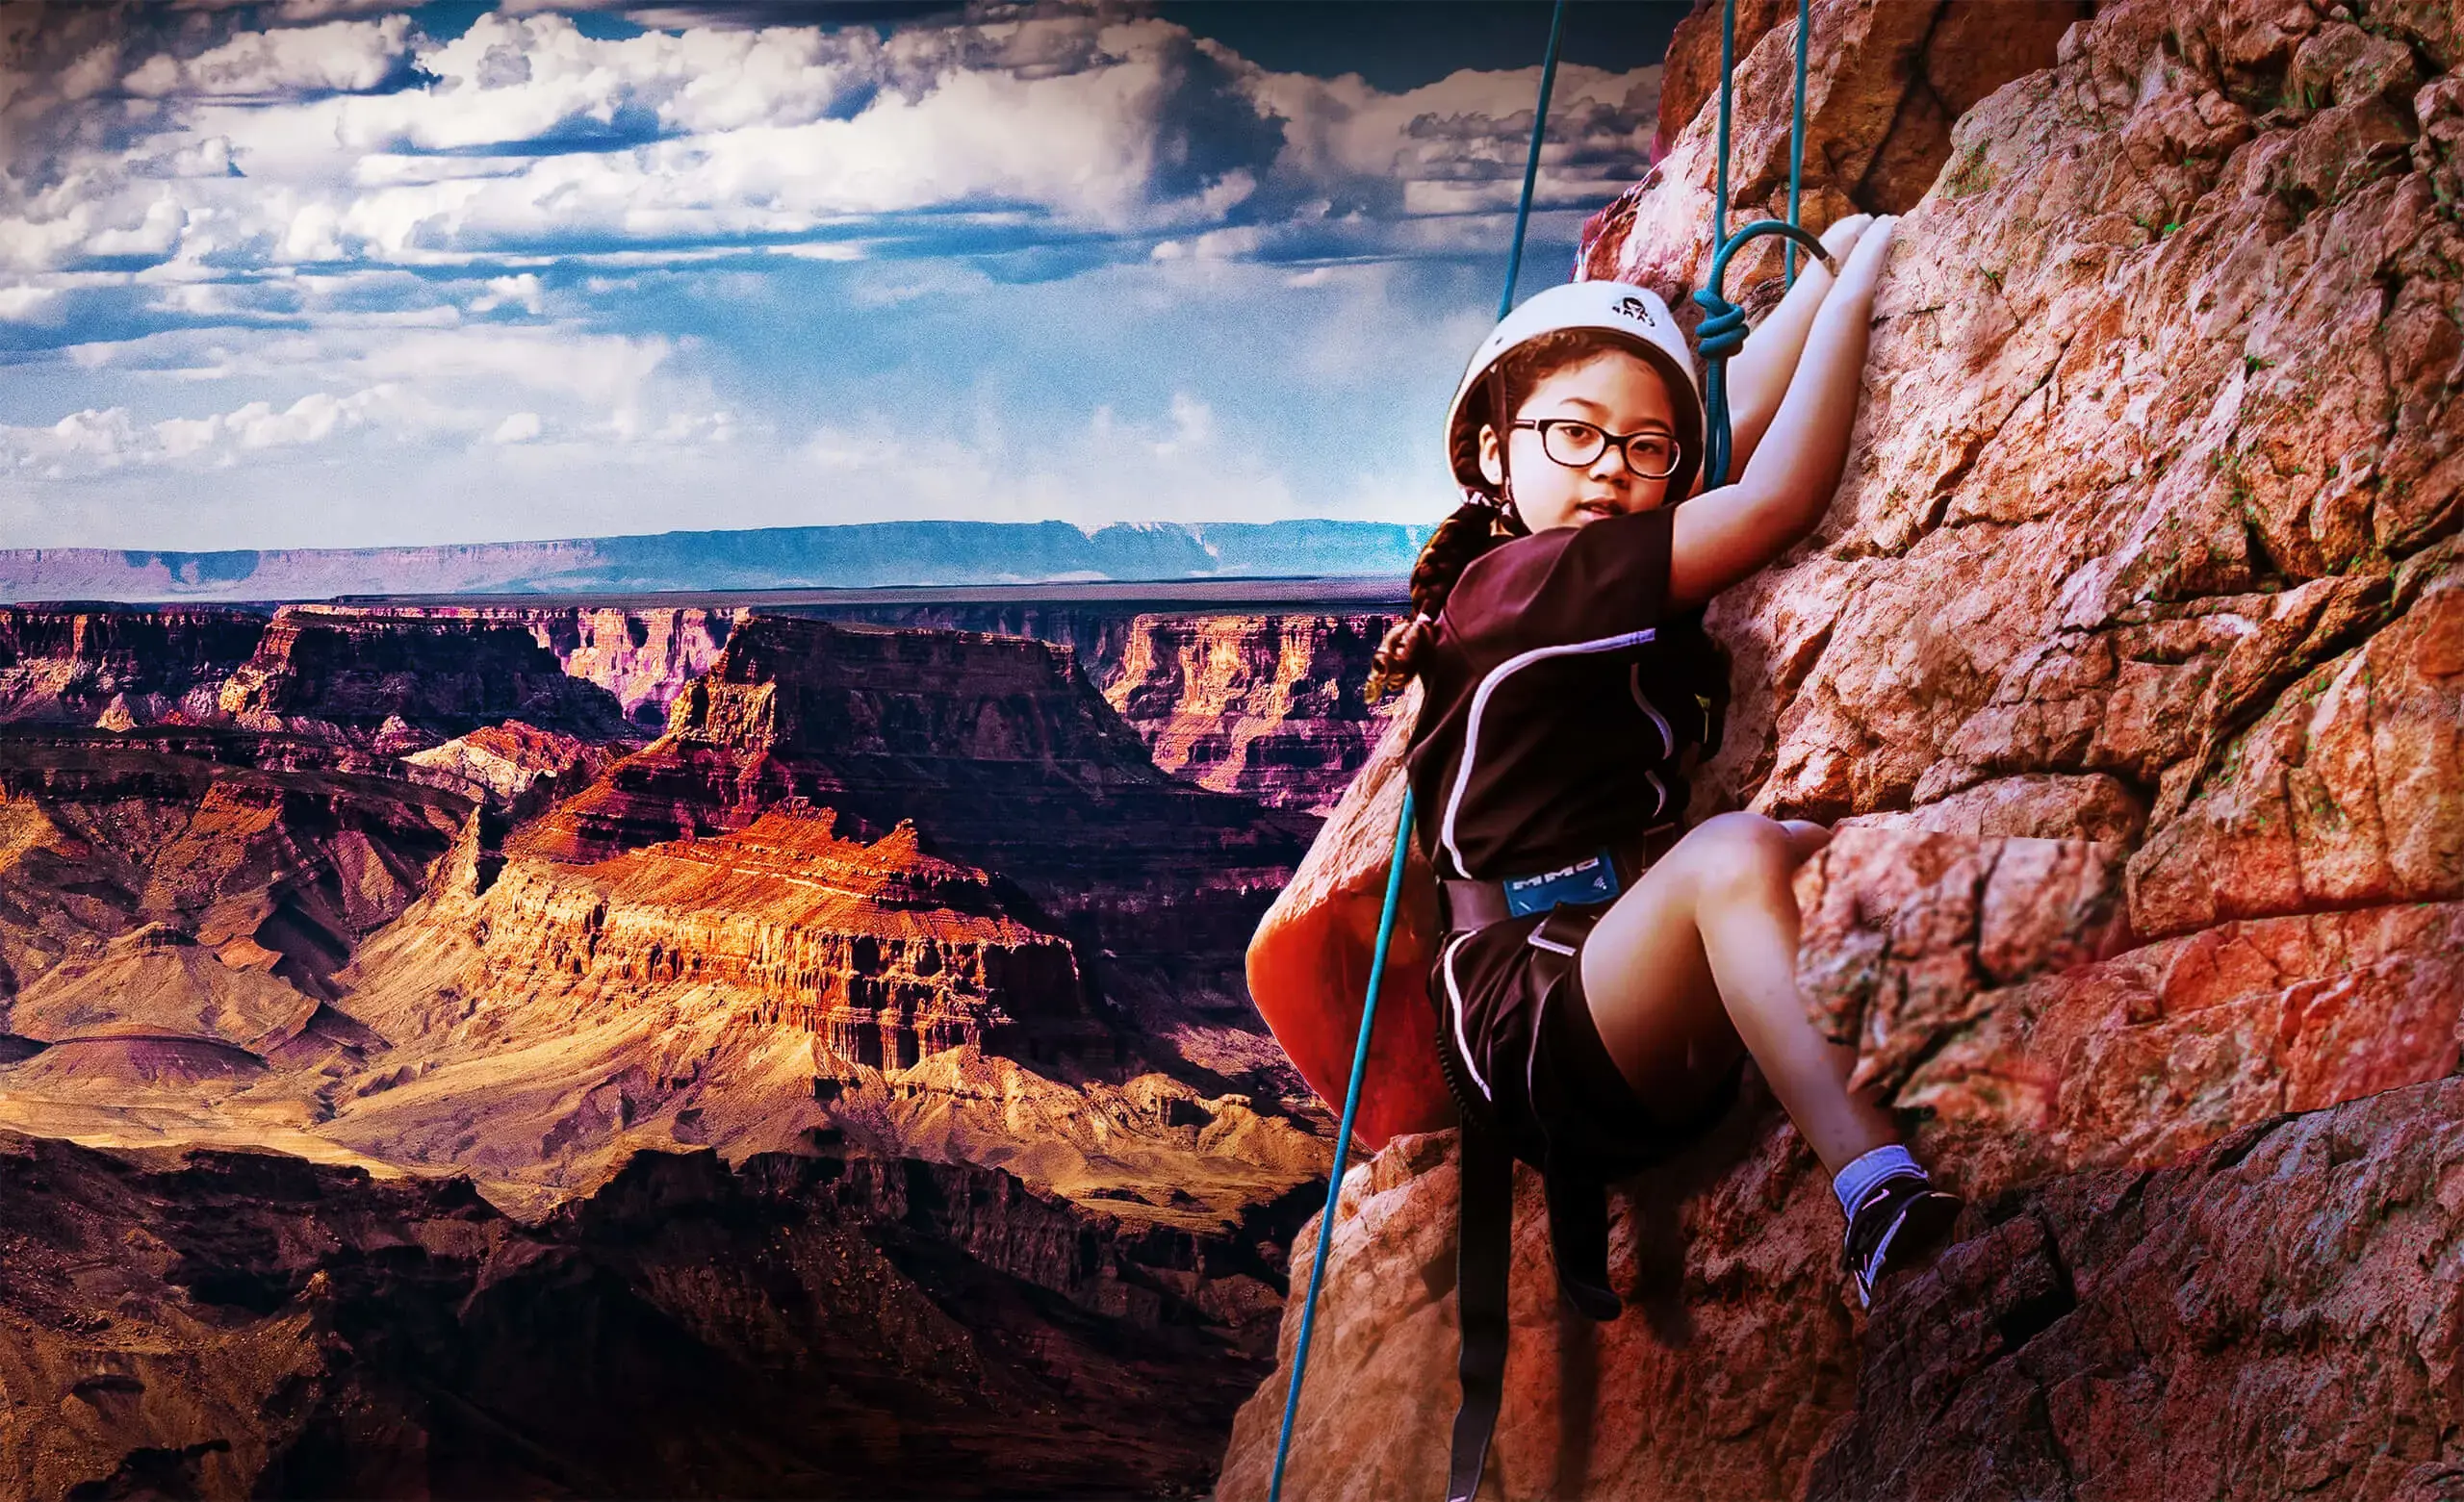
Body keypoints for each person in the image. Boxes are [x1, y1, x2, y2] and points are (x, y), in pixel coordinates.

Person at [1363, 213, 1961, 1312]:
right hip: (1532, 1014)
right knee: (1734, 854)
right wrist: (1849, 298)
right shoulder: (1522, 584)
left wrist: (1803, 285)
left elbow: (1714, 440)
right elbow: (1769, 496)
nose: (1611, 470)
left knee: (1814, 856)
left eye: (1642, 450)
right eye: (1573, 436)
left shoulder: (1565, 556)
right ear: (1496, 452)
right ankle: (1880, 1204)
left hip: (1618, 989)